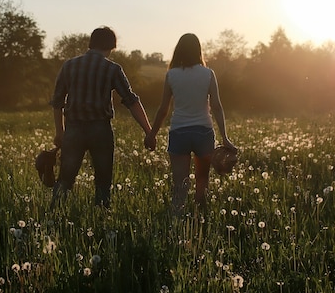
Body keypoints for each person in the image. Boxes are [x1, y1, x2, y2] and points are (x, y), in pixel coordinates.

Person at [50, 26, 152, 209]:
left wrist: (60, 132)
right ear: (111, 46)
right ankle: (101, 219)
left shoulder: (69, 66)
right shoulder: (112, 69)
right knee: (103, 182)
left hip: (73, 129)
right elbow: (131, 101)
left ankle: (54, 215)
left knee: (65, 179)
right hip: (100, 130)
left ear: (91, 43)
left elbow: (57, 101)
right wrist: (148, 131)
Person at [145, 33, 237, 213]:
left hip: (179, 132)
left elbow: (163, 109)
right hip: (203, 132)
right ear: (198, 51)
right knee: (202, 183)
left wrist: (152, 134)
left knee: (180, 185)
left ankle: (176, 223)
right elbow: (217, 107)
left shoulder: (171, 75)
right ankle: (199, 221)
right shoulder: (208, 74)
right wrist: (225, 137)